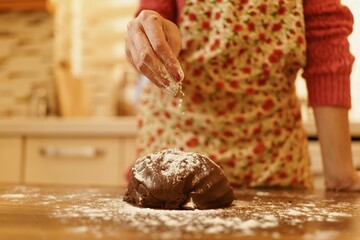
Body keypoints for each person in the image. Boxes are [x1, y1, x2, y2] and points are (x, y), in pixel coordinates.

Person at [125, 0, 360, 191]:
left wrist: (340, 173)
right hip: (177, 159)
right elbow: (152, 20)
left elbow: (326, 48)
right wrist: (148, 34)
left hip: (275, 164)